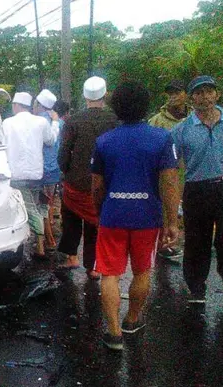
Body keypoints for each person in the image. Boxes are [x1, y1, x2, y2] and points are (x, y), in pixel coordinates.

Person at [91, 81, 180, 351]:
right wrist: (172, 222)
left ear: (116, 106)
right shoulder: (162, 139)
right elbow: (169, 182)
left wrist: (101, 212)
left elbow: (97, 186)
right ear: (146, 106)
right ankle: (131, 320)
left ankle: (114, 333)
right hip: (147, 218)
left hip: (113, 216)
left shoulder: (104, 141)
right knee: (142, 271)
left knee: (110, 274)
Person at [171, 75, 223, 302]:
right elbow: (170, 165)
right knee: (196, 240)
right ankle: (196, 286)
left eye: (209, 91)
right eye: (199, 93)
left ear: (217, 94)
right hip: (195, 189)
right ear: (191, 99)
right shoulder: (182, 130)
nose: (205, 97)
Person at [58, 76, 118, 279]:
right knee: (94, 223)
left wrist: (65, 171)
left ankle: (71, 257)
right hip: (103, 182)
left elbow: (64, 153)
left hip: (76, 181)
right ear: (104, 95)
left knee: (70, 219)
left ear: (84, 96)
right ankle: (92, 267)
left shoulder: (72, 121)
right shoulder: (113, 120)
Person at [3, 92, 60, 259]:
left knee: (28, 209)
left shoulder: (7, 123)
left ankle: (40, 246)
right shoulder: (41, 122)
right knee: (37, 206)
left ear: (15, 105)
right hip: (37, 174)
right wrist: (55, 123)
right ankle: (40, 243)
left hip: (16, 176)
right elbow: (51, 140)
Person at [149, 80, 191, 260]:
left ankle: (191, 244)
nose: (173, 96)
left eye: (177, 92)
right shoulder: (157, 120)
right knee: (167, 209)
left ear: (185, 95)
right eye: (170, 93)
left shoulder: (194, 117)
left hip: (191, 173)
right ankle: (164, 244)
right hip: (167, 175)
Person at [34, 90, 63, 251]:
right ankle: (48, 237)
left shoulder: (38, 122)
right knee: (49, 203)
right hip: (54, 171)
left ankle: (47, 240)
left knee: (41, 206)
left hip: (41, 171)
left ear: (39, 105)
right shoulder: (60, 123)